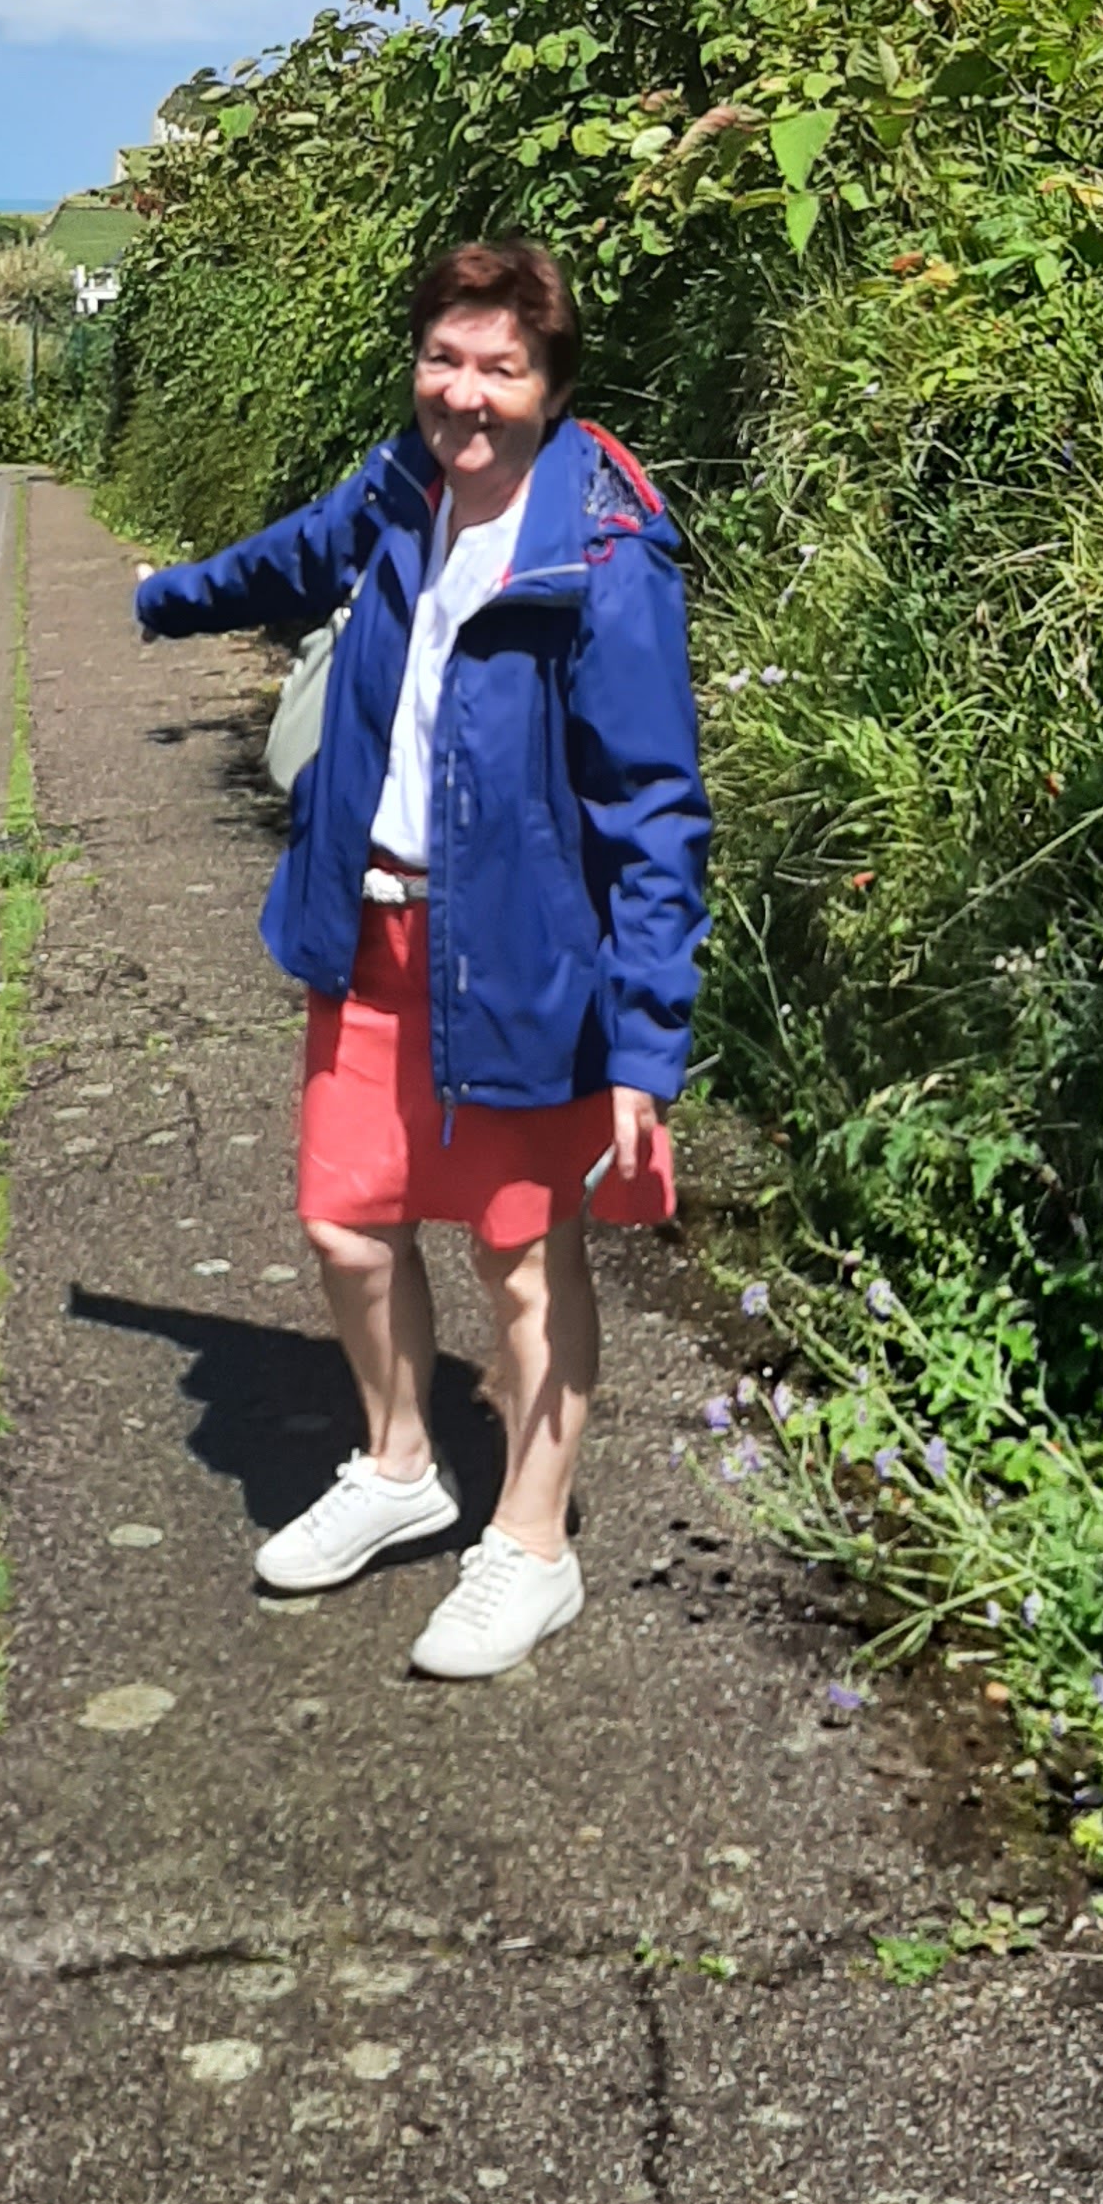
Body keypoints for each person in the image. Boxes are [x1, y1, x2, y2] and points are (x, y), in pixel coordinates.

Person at [133, 237, 709, 1678]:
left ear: (552, 386)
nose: (464, 393)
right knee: (346, 1223)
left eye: (500, 368)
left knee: (525, 1257)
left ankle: (533, 1541)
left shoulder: (606, 555)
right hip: (371, 937)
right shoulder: (401, 490)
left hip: (517, 960)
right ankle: (401, 1465)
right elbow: (286, 560)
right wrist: (166, 597)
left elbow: (654, 810)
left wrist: (647, 1045)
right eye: (444, 359)